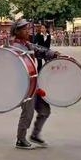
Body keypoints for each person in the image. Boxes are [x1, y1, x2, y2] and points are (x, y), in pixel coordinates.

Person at [12, 19, 59, 149]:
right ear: (16, 31)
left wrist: (53, 54)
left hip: (34, 82)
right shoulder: (14, 48)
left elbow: (40, 50)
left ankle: (35, 135)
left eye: (28, 28)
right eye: (24, 29)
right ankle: (20, 139)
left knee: (44, 110)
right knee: (28, 112)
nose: (28, 31)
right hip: (25, 85)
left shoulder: (27, 44)